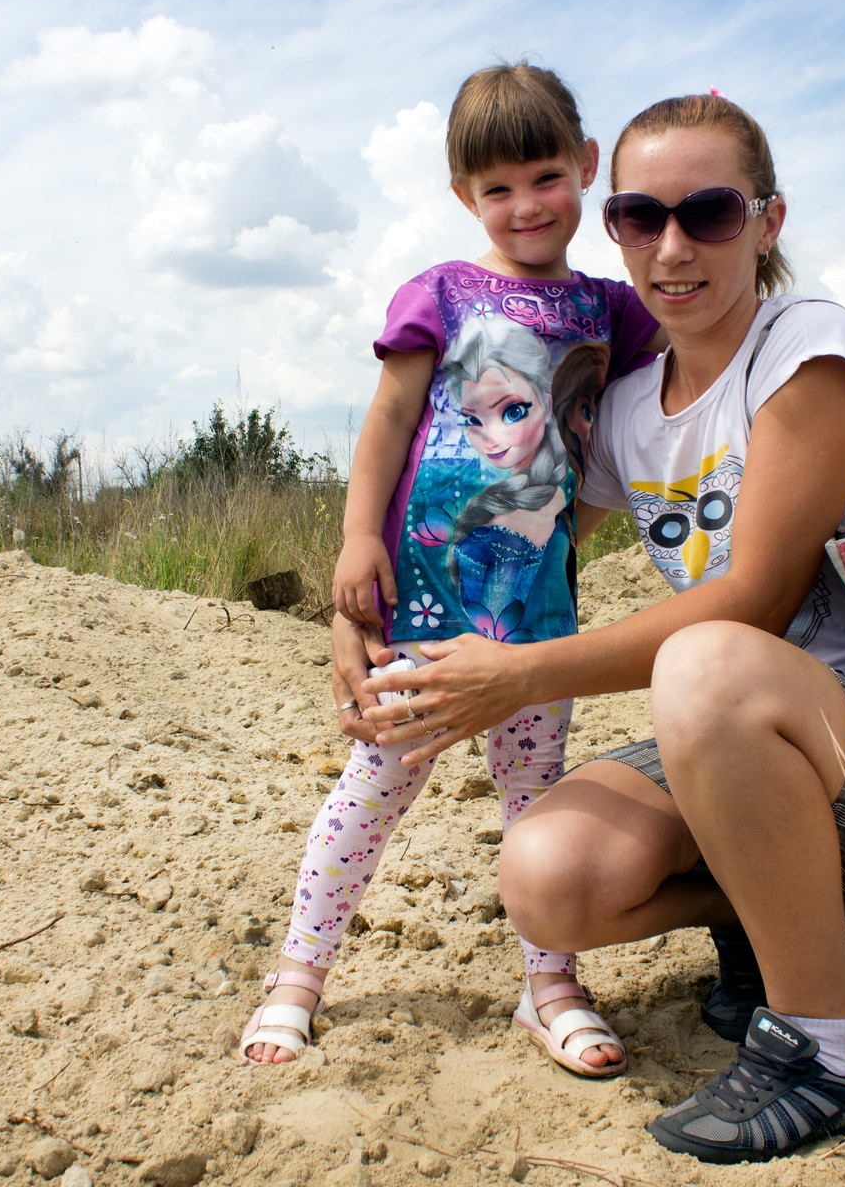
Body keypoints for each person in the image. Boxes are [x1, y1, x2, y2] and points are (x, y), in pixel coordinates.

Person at [334, 93, 845, 1162]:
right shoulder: (633, 403)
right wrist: (361, 615)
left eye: (711, 213)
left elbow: (755, 602)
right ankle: (762, 917)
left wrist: (520, 676)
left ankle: (818, 1051)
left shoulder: (807, 350)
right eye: (642, 216)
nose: (673, 245)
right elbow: (527, 528)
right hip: (758, 755)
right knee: (545, 876)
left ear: (768, 220)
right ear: (615, 223)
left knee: (709, 660)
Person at [239, 61, 661, 1076]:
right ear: (462, 194)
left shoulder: (613, 312)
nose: (525, 205)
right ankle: (299, 973)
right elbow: (389, 418)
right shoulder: (440, 292)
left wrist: (571, 536)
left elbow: (622, 443)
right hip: (424, 610)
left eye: (547, 177)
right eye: (497, 188)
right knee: (374, 786)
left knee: (536, 801)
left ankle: (548, 983)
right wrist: (357, 540)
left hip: (538, 622)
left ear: (587, 167)